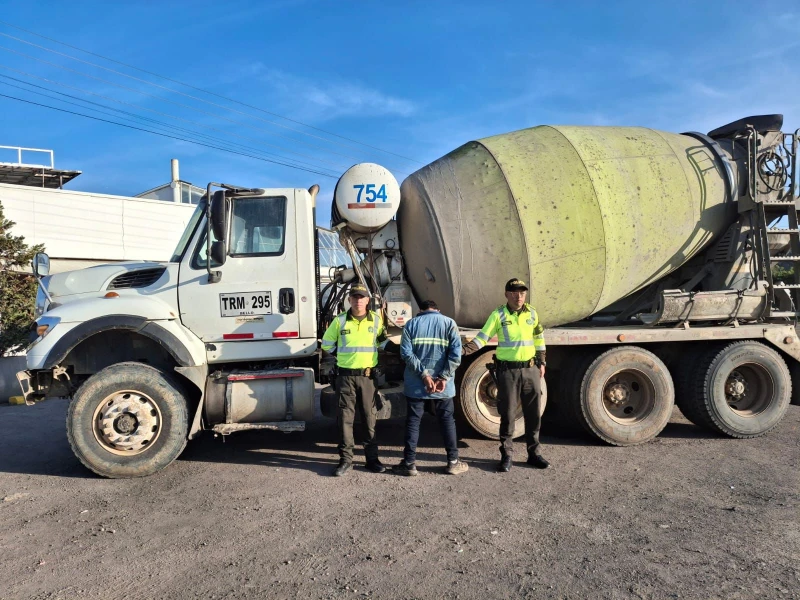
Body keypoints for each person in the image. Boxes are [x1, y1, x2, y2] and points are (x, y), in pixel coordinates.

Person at [463, 278, 550, 472]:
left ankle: (534, 454)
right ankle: (507, 455)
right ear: (506, 294)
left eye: (522, 292)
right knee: (508, 415)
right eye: (514, 292)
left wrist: (542, 361)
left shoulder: (532, 313)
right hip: (508, 371)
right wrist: (464, 350)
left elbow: (539, 338)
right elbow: (482, 338)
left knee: (533, 414)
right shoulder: (498, 314)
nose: (519, 296)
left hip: (530, 370)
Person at [393, 300, 467, 476]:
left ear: (420, 310)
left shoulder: (411, 324)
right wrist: (443, 377)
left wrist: (424, 375)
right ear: (438, 310)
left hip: (416, 385)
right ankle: (453, 462)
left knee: (413, 421)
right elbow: (456, 355)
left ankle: (409, 464)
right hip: (443, 386)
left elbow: (406, 353)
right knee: (447, 420)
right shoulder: (449, 323)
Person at [321, 283, 386, 477]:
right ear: (349, 300)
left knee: (369, 418)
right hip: (345, 377)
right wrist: (342, 356)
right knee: (345, 419)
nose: (358, 300)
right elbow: (326, 344)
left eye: (362, 297)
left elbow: (382, 342)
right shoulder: (340, 321)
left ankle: (372, 460)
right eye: (355, 297)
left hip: (367, 378)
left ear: (367, 300)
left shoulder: (376, 320)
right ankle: (346, 460)